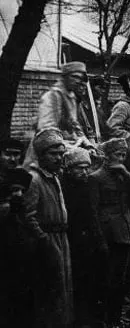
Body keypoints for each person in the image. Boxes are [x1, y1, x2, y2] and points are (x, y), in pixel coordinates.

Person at [90, 137, 130, 327]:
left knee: (121, 282)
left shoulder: (123, 175)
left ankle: (115, 318)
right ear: (106, 156)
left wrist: (127, 174)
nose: (121, 159)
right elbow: (93, 211)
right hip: (108, 235)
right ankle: (104, 320)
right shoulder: (96, 178)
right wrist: (100, 241)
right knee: (107, 281)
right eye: (117, 154)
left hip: (125, 232)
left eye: (124, 155)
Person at [23, 128, 73, 327]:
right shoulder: (34, 179)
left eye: (61, 154)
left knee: (63, 289)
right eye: (54, 154)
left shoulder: (54, 176)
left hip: (61, 239)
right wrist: (44, 240)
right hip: (46, 242)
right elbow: (28, 217)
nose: (59, 158)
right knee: (50, 290)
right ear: (42, 155)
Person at [62, 146, 105, 328]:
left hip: (90, 241)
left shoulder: (90, 185)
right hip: (72, 241)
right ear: (70, 169)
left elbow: (94, 214)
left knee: (93, 280)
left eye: (87, 167)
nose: (85, 172)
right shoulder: (63, 187)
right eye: (80, 168)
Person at [0, 137, 34, 328]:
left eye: (16, 154)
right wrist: (8, 207)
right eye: (7, 154)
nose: (12, 159)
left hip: (18, 242)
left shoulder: (23, 177)